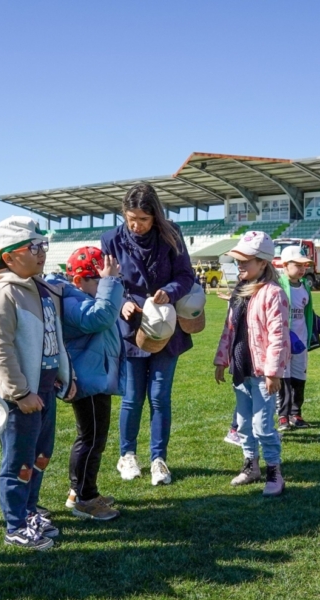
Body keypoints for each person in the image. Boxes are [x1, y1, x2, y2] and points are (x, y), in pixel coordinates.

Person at [0, 217, 75, 548]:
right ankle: (15, 524)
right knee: (19, 461)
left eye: (42, 246)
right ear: (8, 257)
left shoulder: (40, 288)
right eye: (33, 247)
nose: (41, 253)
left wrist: (65, 376)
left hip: (45, 388)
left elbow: (54, 338)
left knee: (41, 455)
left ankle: (30, 511)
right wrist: (20, 393)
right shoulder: (3, 294)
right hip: (21, 396)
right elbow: (1, 349)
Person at [101, 183, 196, 486]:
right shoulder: (111, 239)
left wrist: (169, 292)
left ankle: (159, 459)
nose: (136, 225)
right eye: (131, 218)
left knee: (159, 396)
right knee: (131, 398)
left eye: (143, 219)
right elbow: (108, 281)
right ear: (123, 213)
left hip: (165, 328)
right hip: (130, 329)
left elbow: (186, 276)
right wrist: (122, 302)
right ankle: (126, 455)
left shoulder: (171, 234)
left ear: (155, 215)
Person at [46, 246, 124, 520]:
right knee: (90, 439)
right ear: (79, 280)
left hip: (94, 376)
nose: (104, 286)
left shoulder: (81, 296)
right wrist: (111, 283)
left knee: (93, 438)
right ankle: (84, 498)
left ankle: (79, 491)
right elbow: (100, 318)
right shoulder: (72, 300)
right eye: (99, 280)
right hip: (87, 379)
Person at [214, 231, 289, 495]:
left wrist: (273, 372)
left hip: (262, 373)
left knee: (263, 426)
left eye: (245, 260)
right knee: (244, 424)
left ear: (263, 263)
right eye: (238, 260)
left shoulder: (274, 294)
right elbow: (229, 329)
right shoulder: (239, 291)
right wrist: (221, 359)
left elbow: (279, 336)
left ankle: (274, 472)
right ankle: (250, 466)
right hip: (240, 369)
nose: (240, 264)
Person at [276, 245, 320, 432]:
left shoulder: (305, 287)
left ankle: (296, 413)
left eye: (304, 265)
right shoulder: (277, 286)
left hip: (301, 343)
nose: (302, 269)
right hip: (282, 342)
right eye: (298, 265)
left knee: (299, 379)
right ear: (285, 265)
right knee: (283, 379)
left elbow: (310, 313)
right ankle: (283, 416)